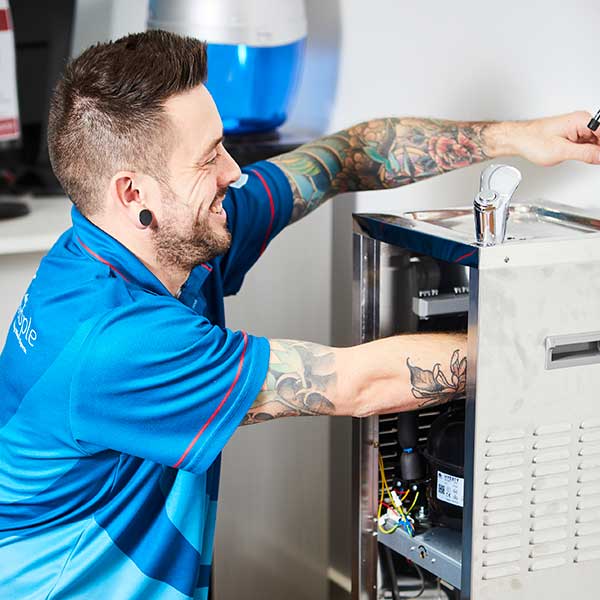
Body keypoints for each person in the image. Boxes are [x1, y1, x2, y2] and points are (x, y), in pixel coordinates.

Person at [0, 30, 598, 600]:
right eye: (208, 158)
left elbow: (348, 155)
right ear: (135, 195)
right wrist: (562, 337)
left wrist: (522, 137)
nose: (232, 172)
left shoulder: (156, 239)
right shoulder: (115, 343)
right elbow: (362, 384)